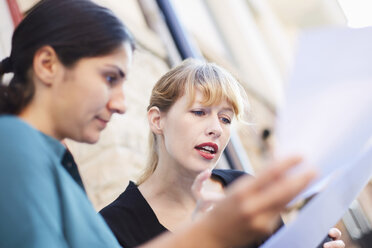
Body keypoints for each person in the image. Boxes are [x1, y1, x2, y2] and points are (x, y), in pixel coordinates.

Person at [0, 0, 317, 247]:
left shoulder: (52, 162)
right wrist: (212, 235)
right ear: (47, 65)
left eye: (225, 118)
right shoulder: (12, 146)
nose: (121, 104)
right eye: (110, 77)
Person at [100, 59, 345, 248]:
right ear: (157, 120)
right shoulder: (112, 227)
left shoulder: (243, 188)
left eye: (225, 118)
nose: (216, 129)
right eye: (199, 112)